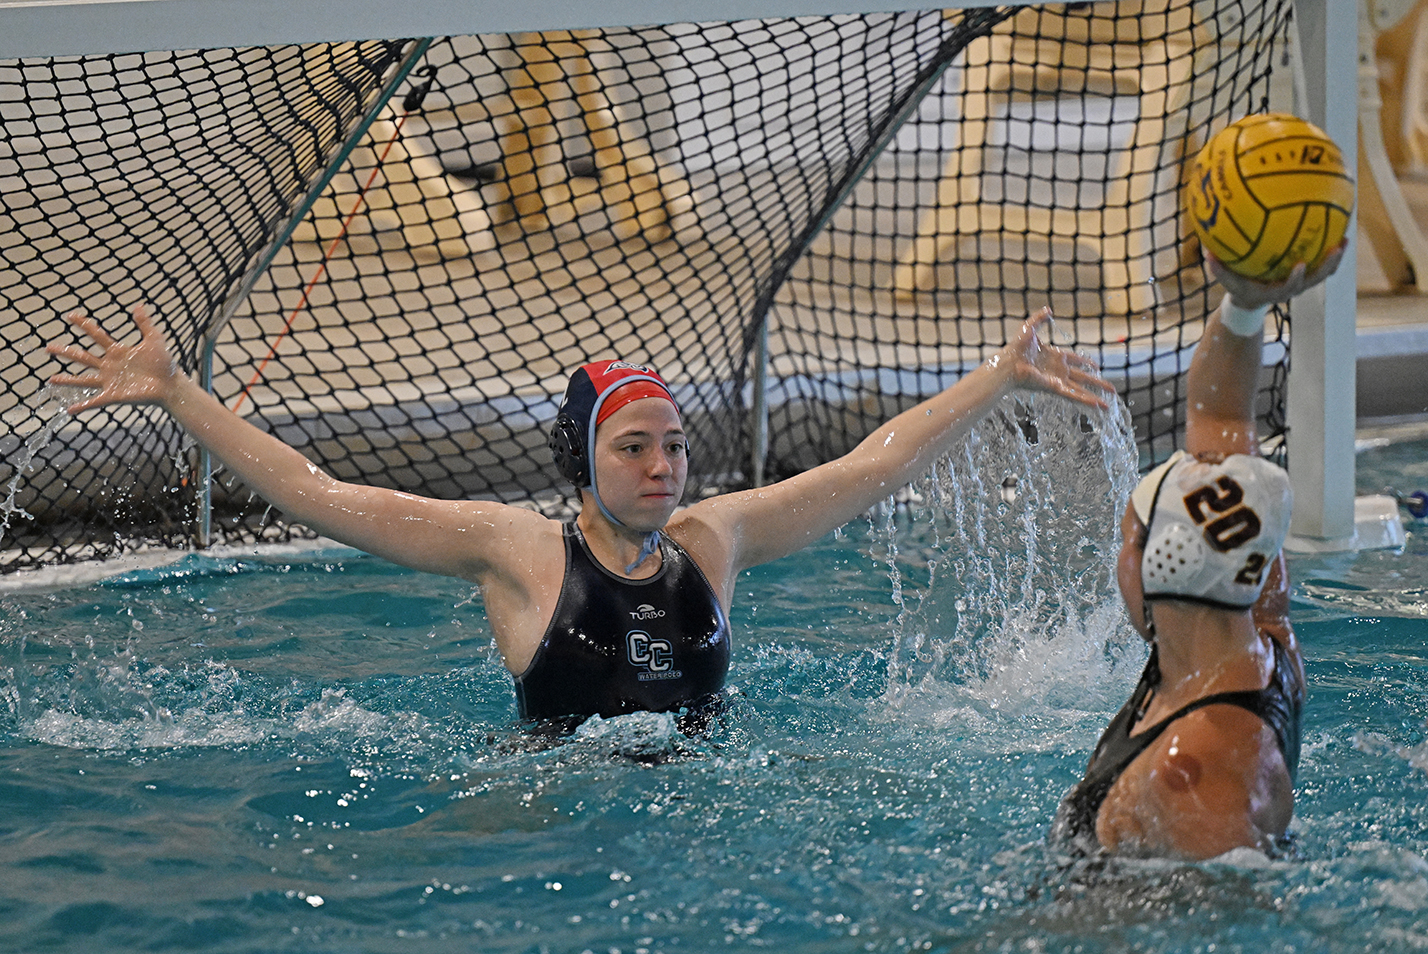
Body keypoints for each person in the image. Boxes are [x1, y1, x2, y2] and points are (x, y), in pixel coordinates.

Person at [47, 305, 1111, 723]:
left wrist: (998, 378)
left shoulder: (713, 542)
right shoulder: (519, 555)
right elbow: (332, 501)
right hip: (548, 825)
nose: (663, 466)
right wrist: (182, 397)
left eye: (675, 444)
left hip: (701, 821)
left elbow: (871, 467)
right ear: (582, 461)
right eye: (633, 447)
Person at [1050, 247, 1346, 860]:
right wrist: (1245, 303)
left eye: (1124, 536)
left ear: (1155, 559)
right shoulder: (1264, 639)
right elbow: (1219, 413)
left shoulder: (1192, 767)